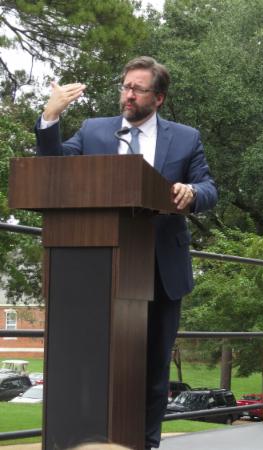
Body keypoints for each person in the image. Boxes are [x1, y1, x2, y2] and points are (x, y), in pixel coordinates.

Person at [34, 56, 218, 450]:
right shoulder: (93, 131)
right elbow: (53, 168)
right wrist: (50, 118)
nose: (128, 94)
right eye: (125, 86)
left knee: (153, 368)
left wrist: (192, 192)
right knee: (93, 363)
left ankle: (146, 443)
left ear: (159, 98)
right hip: (97, 266)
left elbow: (208, 188)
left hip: (160, 269)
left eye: (138, 88)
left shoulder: (185, 138)